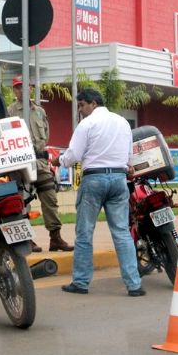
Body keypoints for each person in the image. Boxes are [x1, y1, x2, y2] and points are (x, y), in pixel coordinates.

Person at [51, 88, 145, 297]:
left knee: (84, 233)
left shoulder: (87, 124)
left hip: (94, 180)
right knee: (121, 232)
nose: (80, 109)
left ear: (93, 103)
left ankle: (81, 282)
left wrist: (59, 160)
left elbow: (74, 155)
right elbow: (129, 156)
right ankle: (134, 285)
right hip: (119, 180)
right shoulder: (123, 122)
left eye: (82, 104)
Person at [7, 75, 73, 252]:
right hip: (20, 163)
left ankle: (55, 238)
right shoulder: (10, 112)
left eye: (26, 87)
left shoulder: (40, 111)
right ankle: (27, 239)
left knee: (50, 197)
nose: (22, 90)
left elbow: (46, 135)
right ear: (14, 90)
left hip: (40, 162)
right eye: (19, 87)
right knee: (22, 201)